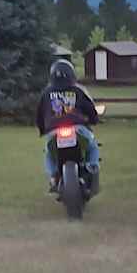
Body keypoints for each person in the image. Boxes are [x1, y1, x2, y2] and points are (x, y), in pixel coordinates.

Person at [36, 58, 100, 192]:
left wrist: (42, 130)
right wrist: (94, 120)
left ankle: (53, 175)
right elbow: (90, 109)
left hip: (54, 130)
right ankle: (92, 166)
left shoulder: (46, 93)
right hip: (78, 128)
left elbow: (40, 114)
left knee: (49, 153)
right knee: (92, 145)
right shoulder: (78, 90)